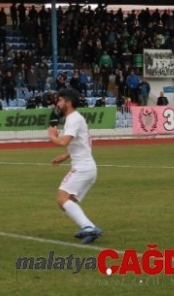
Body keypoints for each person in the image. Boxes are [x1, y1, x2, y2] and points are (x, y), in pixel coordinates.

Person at [47, 89, 102, 244]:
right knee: (67, 201)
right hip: (87, 167)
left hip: (82, 167)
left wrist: (52, 135)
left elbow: (64, 141)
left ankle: (89, 227)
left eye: (60, 101)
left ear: (68, 103)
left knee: (62, 198)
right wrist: (65, 156)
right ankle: (89, 228)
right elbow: (81, 143)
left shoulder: (73, 119)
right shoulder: (75, 119)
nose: (58, 104)